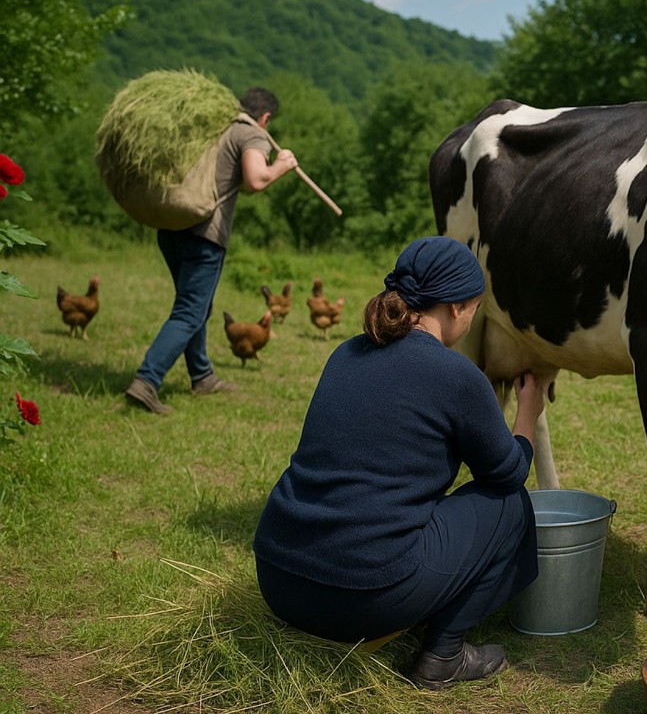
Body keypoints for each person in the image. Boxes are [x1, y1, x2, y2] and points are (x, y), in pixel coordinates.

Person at [252, 236, 546, 690]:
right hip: (363, 597)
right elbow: (506, 472)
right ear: (453, 309)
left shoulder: (345, 352)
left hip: (278, 577)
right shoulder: (456, 375)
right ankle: (443, 656)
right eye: (473, 308)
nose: (471, 320)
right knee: (509, 504)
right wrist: (528, 413)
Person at [125, 87, 298, 415]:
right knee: (190, 310)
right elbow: (256, 179)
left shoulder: (212, 130)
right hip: (205, 234)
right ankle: (146, 381)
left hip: (173, 226)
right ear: (266, 117)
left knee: (196, 307)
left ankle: (201, 376)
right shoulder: (250, 133)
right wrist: (282, 165)